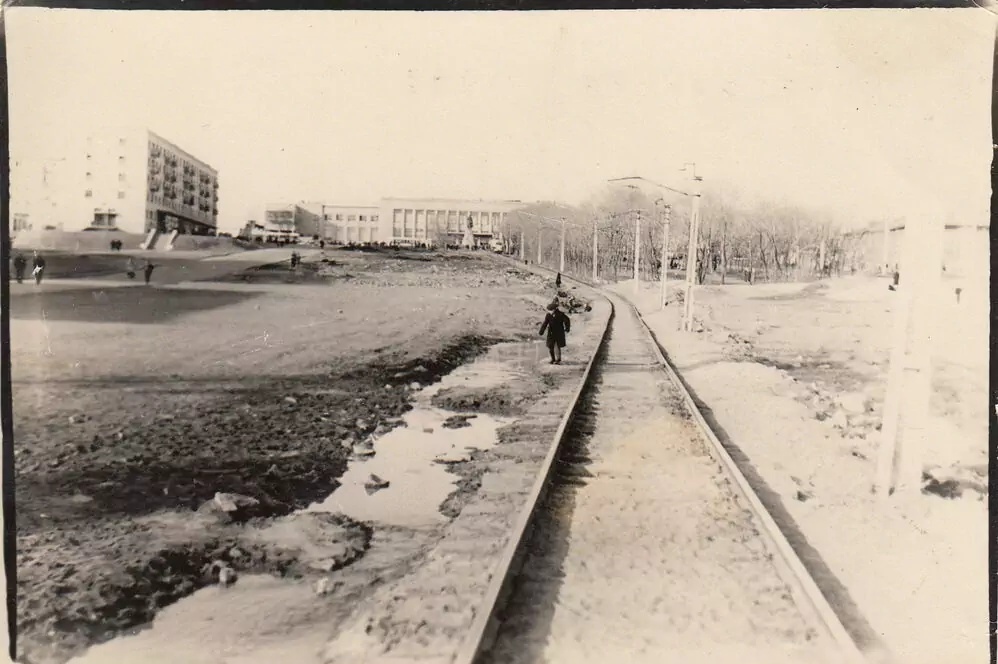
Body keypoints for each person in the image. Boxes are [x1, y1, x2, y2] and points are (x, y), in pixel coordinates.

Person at [539, 300, 571, 365]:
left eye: (551, 310)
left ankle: (558, 359)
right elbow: (545, 323)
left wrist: (567, 328)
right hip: (551, 333)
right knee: (550, 346)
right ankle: (553, 359)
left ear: (554, 309)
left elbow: (567, 320)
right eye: (549, 310)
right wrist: (541, 331)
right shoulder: (548, 315)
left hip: (559, 333)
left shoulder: (561, 314)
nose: (549, 311)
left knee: (557, 346)